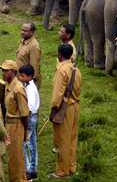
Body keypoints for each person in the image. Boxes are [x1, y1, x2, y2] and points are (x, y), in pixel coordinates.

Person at [49, 43, 81, 179]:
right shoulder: (76, 69)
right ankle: (72, 167)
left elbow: (57, 95)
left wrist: (53, 109)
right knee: (72, 138)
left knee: (62, 139)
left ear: (59, 55)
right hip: (75, 106)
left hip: (64, 109)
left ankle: (62, 171)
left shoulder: (61, 70)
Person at [0, 60, 29, 182]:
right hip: (9, 124)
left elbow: (25, 114)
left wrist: (25, 131)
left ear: (14, 72)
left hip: (17, 125)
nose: (3, 73)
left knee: (16, 157)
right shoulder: (7, 85)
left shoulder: (18, 89)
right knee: (11, 156)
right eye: (2, 70)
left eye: (6, 71)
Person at [18, 64, 40, 181]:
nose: (20, 78)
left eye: (22, 76)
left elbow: (30, 107)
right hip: (32, 117)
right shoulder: (27, 85)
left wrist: (22, 115)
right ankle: (33, 169)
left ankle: (28, 170)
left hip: (29, 117)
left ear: (30, 76)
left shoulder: (30, 89)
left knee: (26, 144)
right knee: (32, 143)